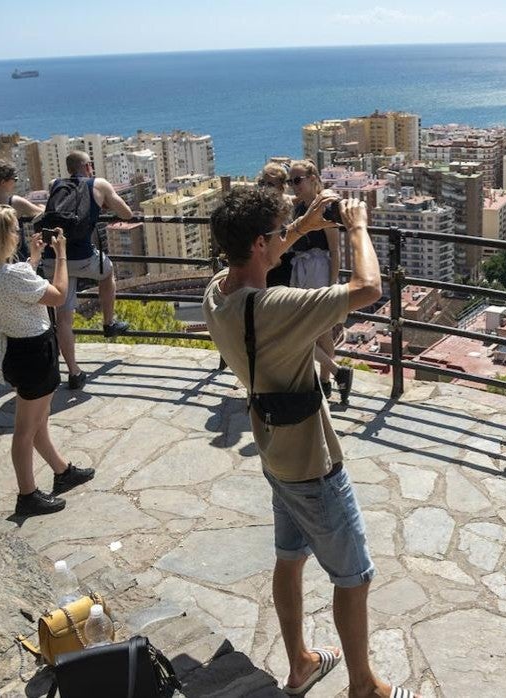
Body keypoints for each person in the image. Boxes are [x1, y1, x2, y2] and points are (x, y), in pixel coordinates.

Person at [203, 188, 415, 698]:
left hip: (274, 452)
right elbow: (367, 288)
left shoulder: (218, 293)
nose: (282, 239)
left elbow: (260, 256)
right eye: (276, 235)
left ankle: (299, 663)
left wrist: (302, 226)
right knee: (354, 575)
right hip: (313, 463)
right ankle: (363, 687)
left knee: (290, 556)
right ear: (258, 244)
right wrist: (357, 225)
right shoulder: (275, 309)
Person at [0, 205, 95, 516]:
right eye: (11, 230)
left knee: (39, 421)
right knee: (26, 429)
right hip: (35, 353)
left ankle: (62, 471)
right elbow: (59, 295)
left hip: (13, 350)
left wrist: (32, 261)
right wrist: (60, 254)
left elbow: (14, 290)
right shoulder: (12, 276)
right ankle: (27, 494)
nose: (16, 235)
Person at [40, 151, 134, 391]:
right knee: (107, 271)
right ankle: (109, 322)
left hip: (54, 256)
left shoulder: (55, 184)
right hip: (81, 256)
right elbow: (126, 214)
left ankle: (74, 372)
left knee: (63, 317)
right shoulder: (98, 184)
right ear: (88, 166)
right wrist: (101, 202)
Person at [264, 159, 353, 401]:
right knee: (312, 329)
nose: (294, 185)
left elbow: (335, 250)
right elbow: (281, 199)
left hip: (317, 269)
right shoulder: (298, 205)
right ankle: (331, 379)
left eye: (298, 180)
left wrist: (333, 283)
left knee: (319, 329)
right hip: (301, 269)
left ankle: (327, 380)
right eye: (290, 181)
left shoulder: (324, 206)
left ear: (313, 178)